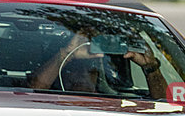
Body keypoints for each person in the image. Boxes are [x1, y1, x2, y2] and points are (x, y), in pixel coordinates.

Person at [30, 31, 166, 98]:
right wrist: (67, 54)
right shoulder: (48, 99)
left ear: (99, 74)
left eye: (91, 68)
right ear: (62, 72)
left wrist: (151, 67)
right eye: (75, 69)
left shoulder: (117, 103)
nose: (84, 75)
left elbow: (169, 110)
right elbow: (31, 96)